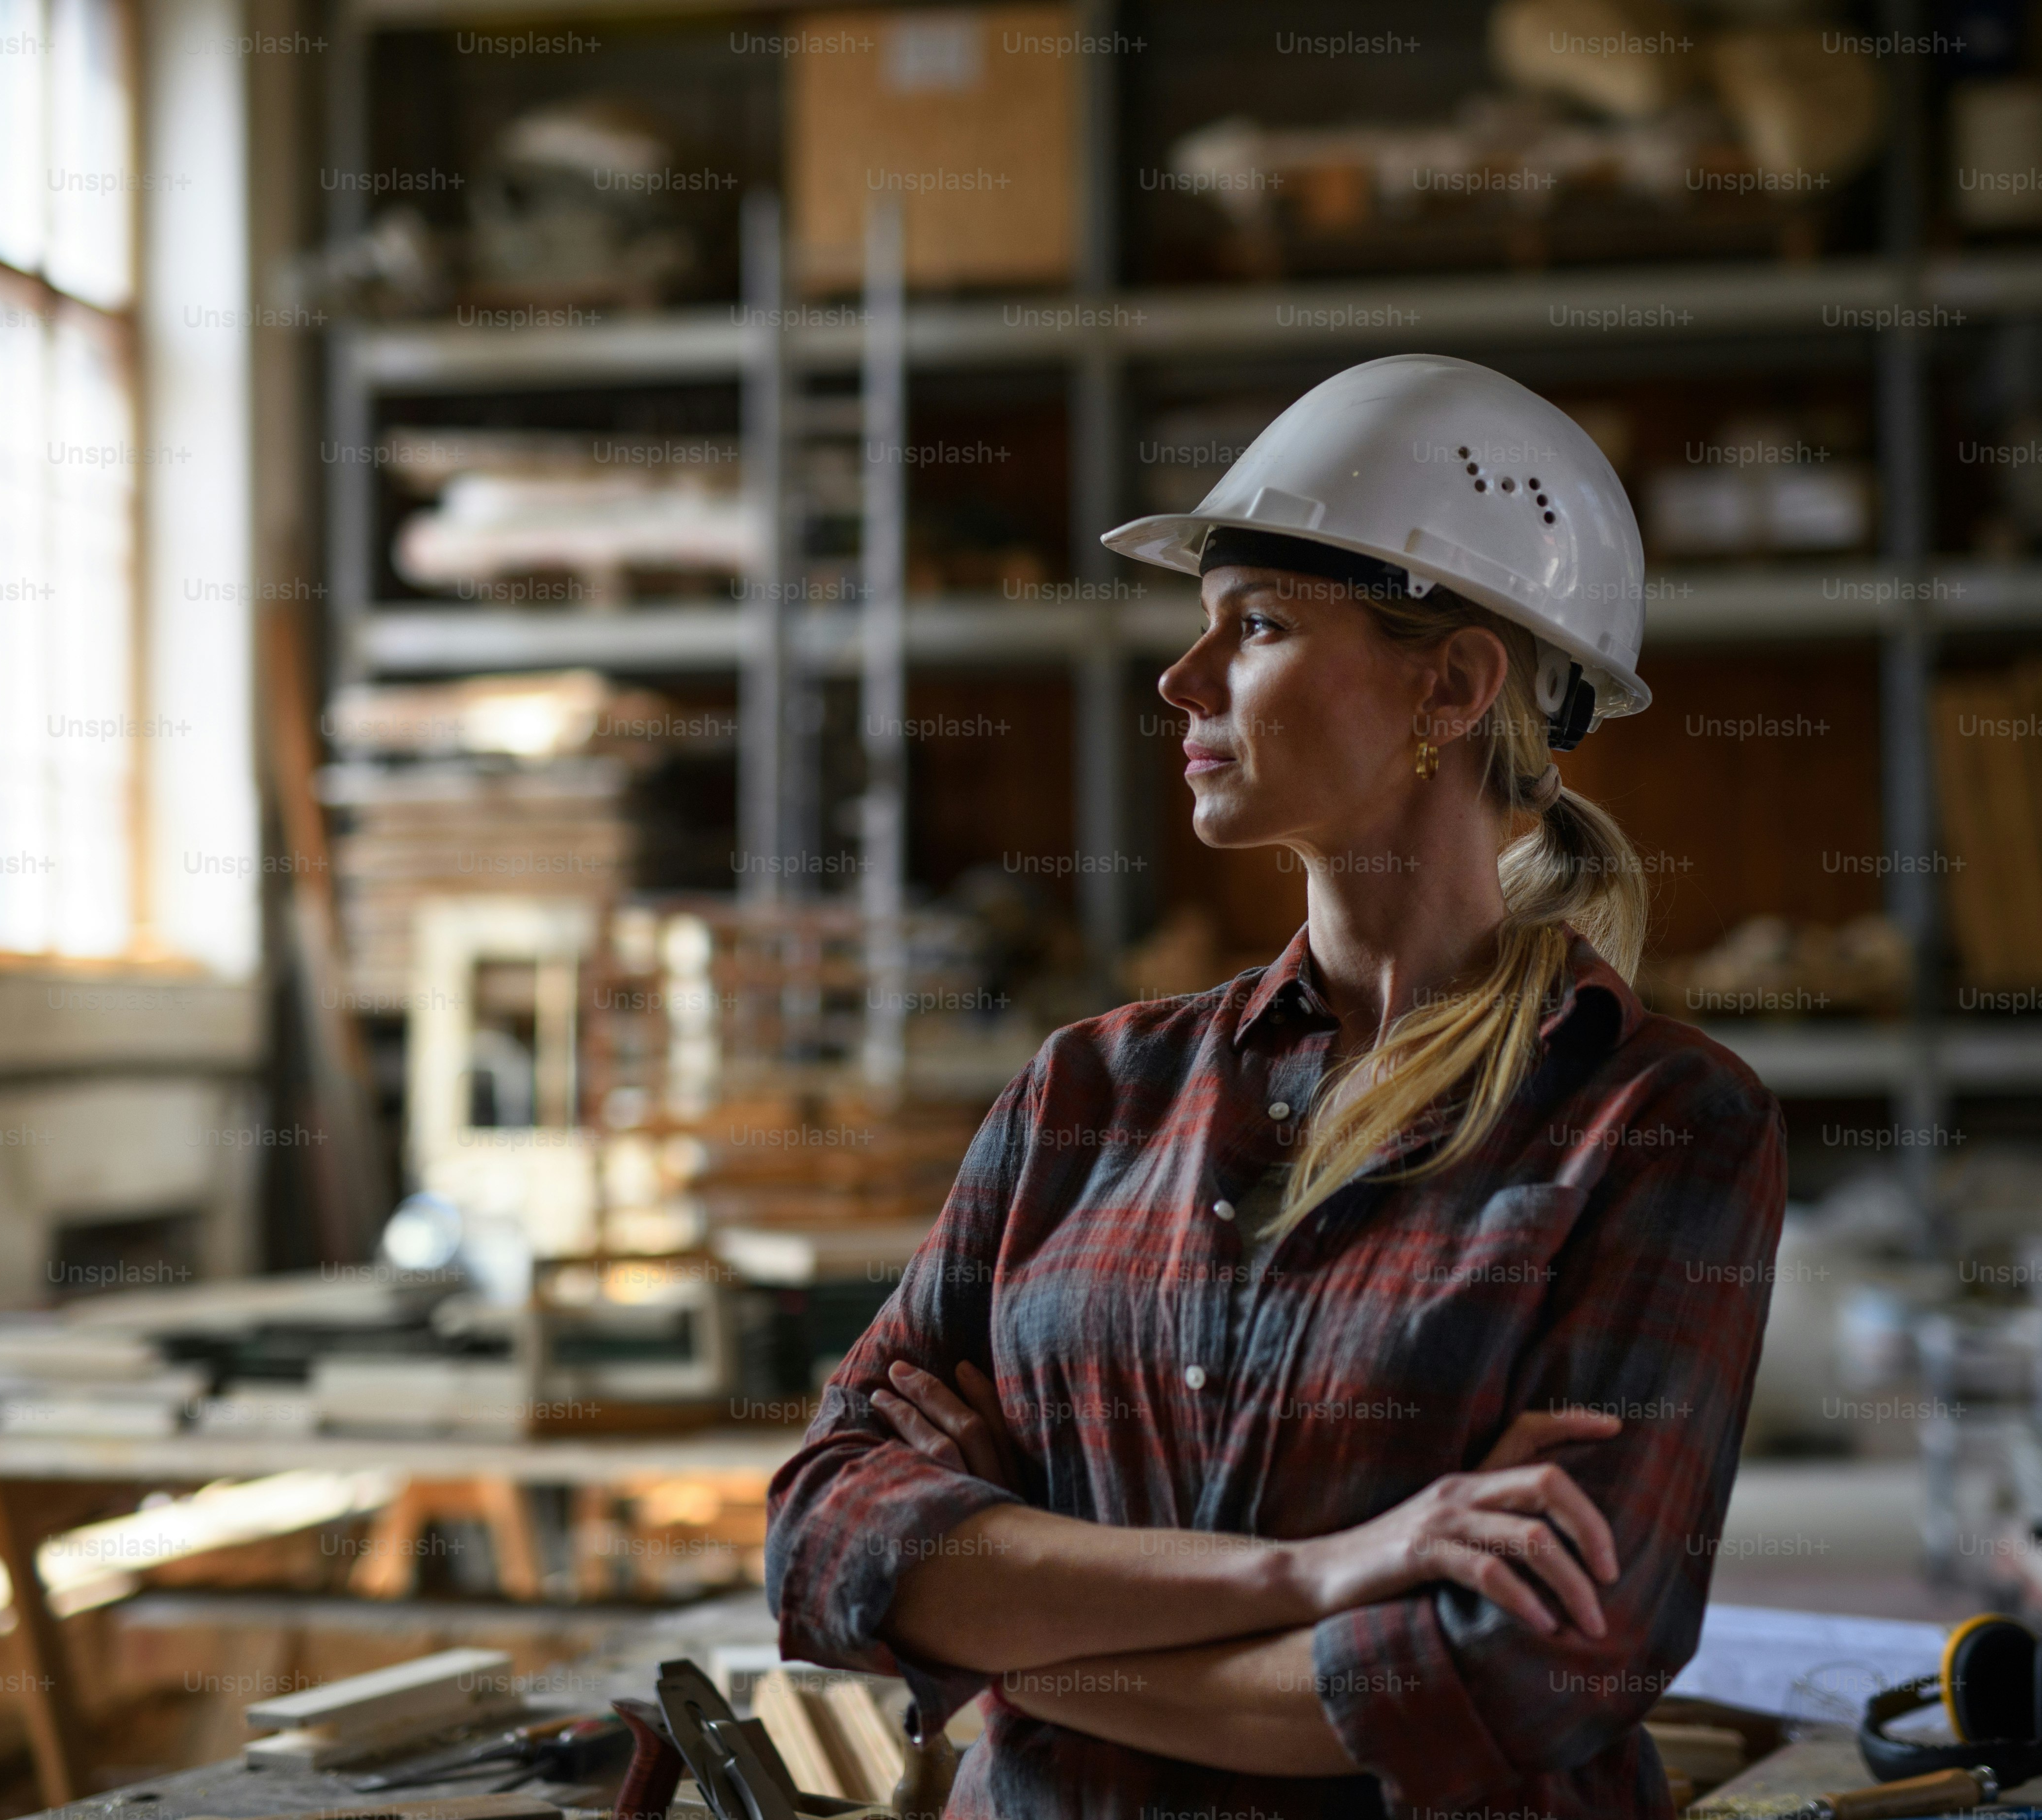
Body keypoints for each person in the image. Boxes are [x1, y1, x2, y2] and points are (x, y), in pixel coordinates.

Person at [765, 355, 1788, 1818]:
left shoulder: (1657, 1123)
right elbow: (821, 1540)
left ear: (1450, 683)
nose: (1181, 683)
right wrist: (1324, 1574)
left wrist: (1006, 1613)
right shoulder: (1093, 1088)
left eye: (1253, 627)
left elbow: (1531, 1669)